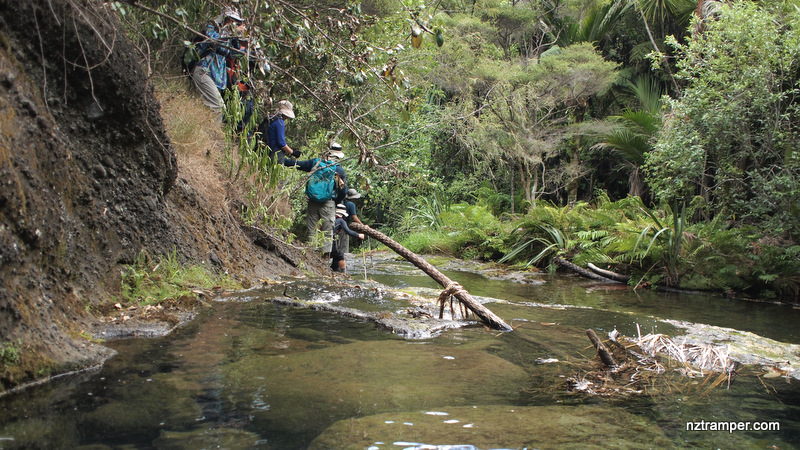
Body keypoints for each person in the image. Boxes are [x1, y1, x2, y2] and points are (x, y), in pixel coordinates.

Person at [284, 142, 348, 255]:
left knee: (312, 230)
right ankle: (324, 258)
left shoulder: (315, 163)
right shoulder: (338, 170)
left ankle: (311, 255)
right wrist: (335, 202)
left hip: (313, 201)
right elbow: (343, 191)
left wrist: (280, 160)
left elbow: (297, 164)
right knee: (327, 233)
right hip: (328, 203)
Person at [191, 7, 244, 122]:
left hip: (215, 78)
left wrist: (238, 42)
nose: (234, 24)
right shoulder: (212, 29)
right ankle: (213, 135)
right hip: (204, 71)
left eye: (236, 22)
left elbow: (234, 55)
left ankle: (203, 133)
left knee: (208, 108)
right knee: (218, 107)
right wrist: (229, 33)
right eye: (232, 21)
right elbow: (216, 43)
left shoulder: (229, 38)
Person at [331, 204, 364, 273]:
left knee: (335, 255)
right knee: (340, 255)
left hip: (325, 240)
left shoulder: (331, 218)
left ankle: (334, 269)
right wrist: (358, 235)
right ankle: (344, 273)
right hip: (332, 241)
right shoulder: (341, 221)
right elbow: (348, 231)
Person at [335, 188, 363, 258]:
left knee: (337, 245)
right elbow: (354, 217)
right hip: (344, 226)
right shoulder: (351, 204)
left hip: (337, 227)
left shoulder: (343, 202)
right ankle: (344, 260)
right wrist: (362, 225)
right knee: (344, 246)